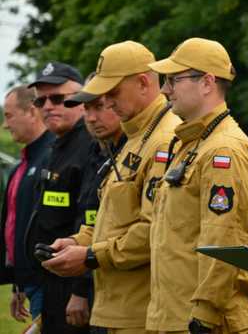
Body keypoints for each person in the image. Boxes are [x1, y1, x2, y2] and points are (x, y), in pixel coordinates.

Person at [42, 41, 180, 333]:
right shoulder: (135, 136)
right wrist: (79, 241)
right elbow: (118, 219)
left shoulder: (164, 139)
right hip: (119, 306)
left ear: (143, 83)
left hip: (141, 311)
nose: (108, 101)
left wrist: (91, 255)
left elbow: (154, 229)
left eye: (113, 92)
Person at [146, 37, 248, 333]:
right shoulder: (192, 143)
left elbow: (222, 240)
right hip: (178, 317)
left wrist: (205, 316)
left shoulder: (222, 149)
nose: (164, 89)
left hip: (206, 323)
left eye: (173, 80)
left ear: (207, 82)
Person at [23, 62, 93, 334]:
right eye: (40, 101)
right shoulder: (57, 146)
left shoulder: (90, 145)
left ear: (81, 100)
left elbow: (90, 221)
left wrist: (82, 290)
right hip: (51, 282)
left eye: (58, 98)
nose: (48, 106)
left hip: (76, 283)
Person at [59, 78, 127, 328]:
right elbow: (91, 218)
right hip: (99, 279)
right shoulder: (97, 151)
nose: (90, 117)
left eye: (98, 106)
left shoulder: (134, 152)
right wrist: (76, 241)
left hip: (121, 290)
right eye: (86, 109)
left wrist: (80, 289)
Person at [1, 85, 54, 324]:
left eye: (9, 116)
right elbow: (17, 224)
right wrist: (16, 282)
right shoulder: (21, 165)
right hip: (29, 282)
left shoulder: (53, 157)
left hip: (49, 283)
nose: (5, 125)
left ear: (32, 112)